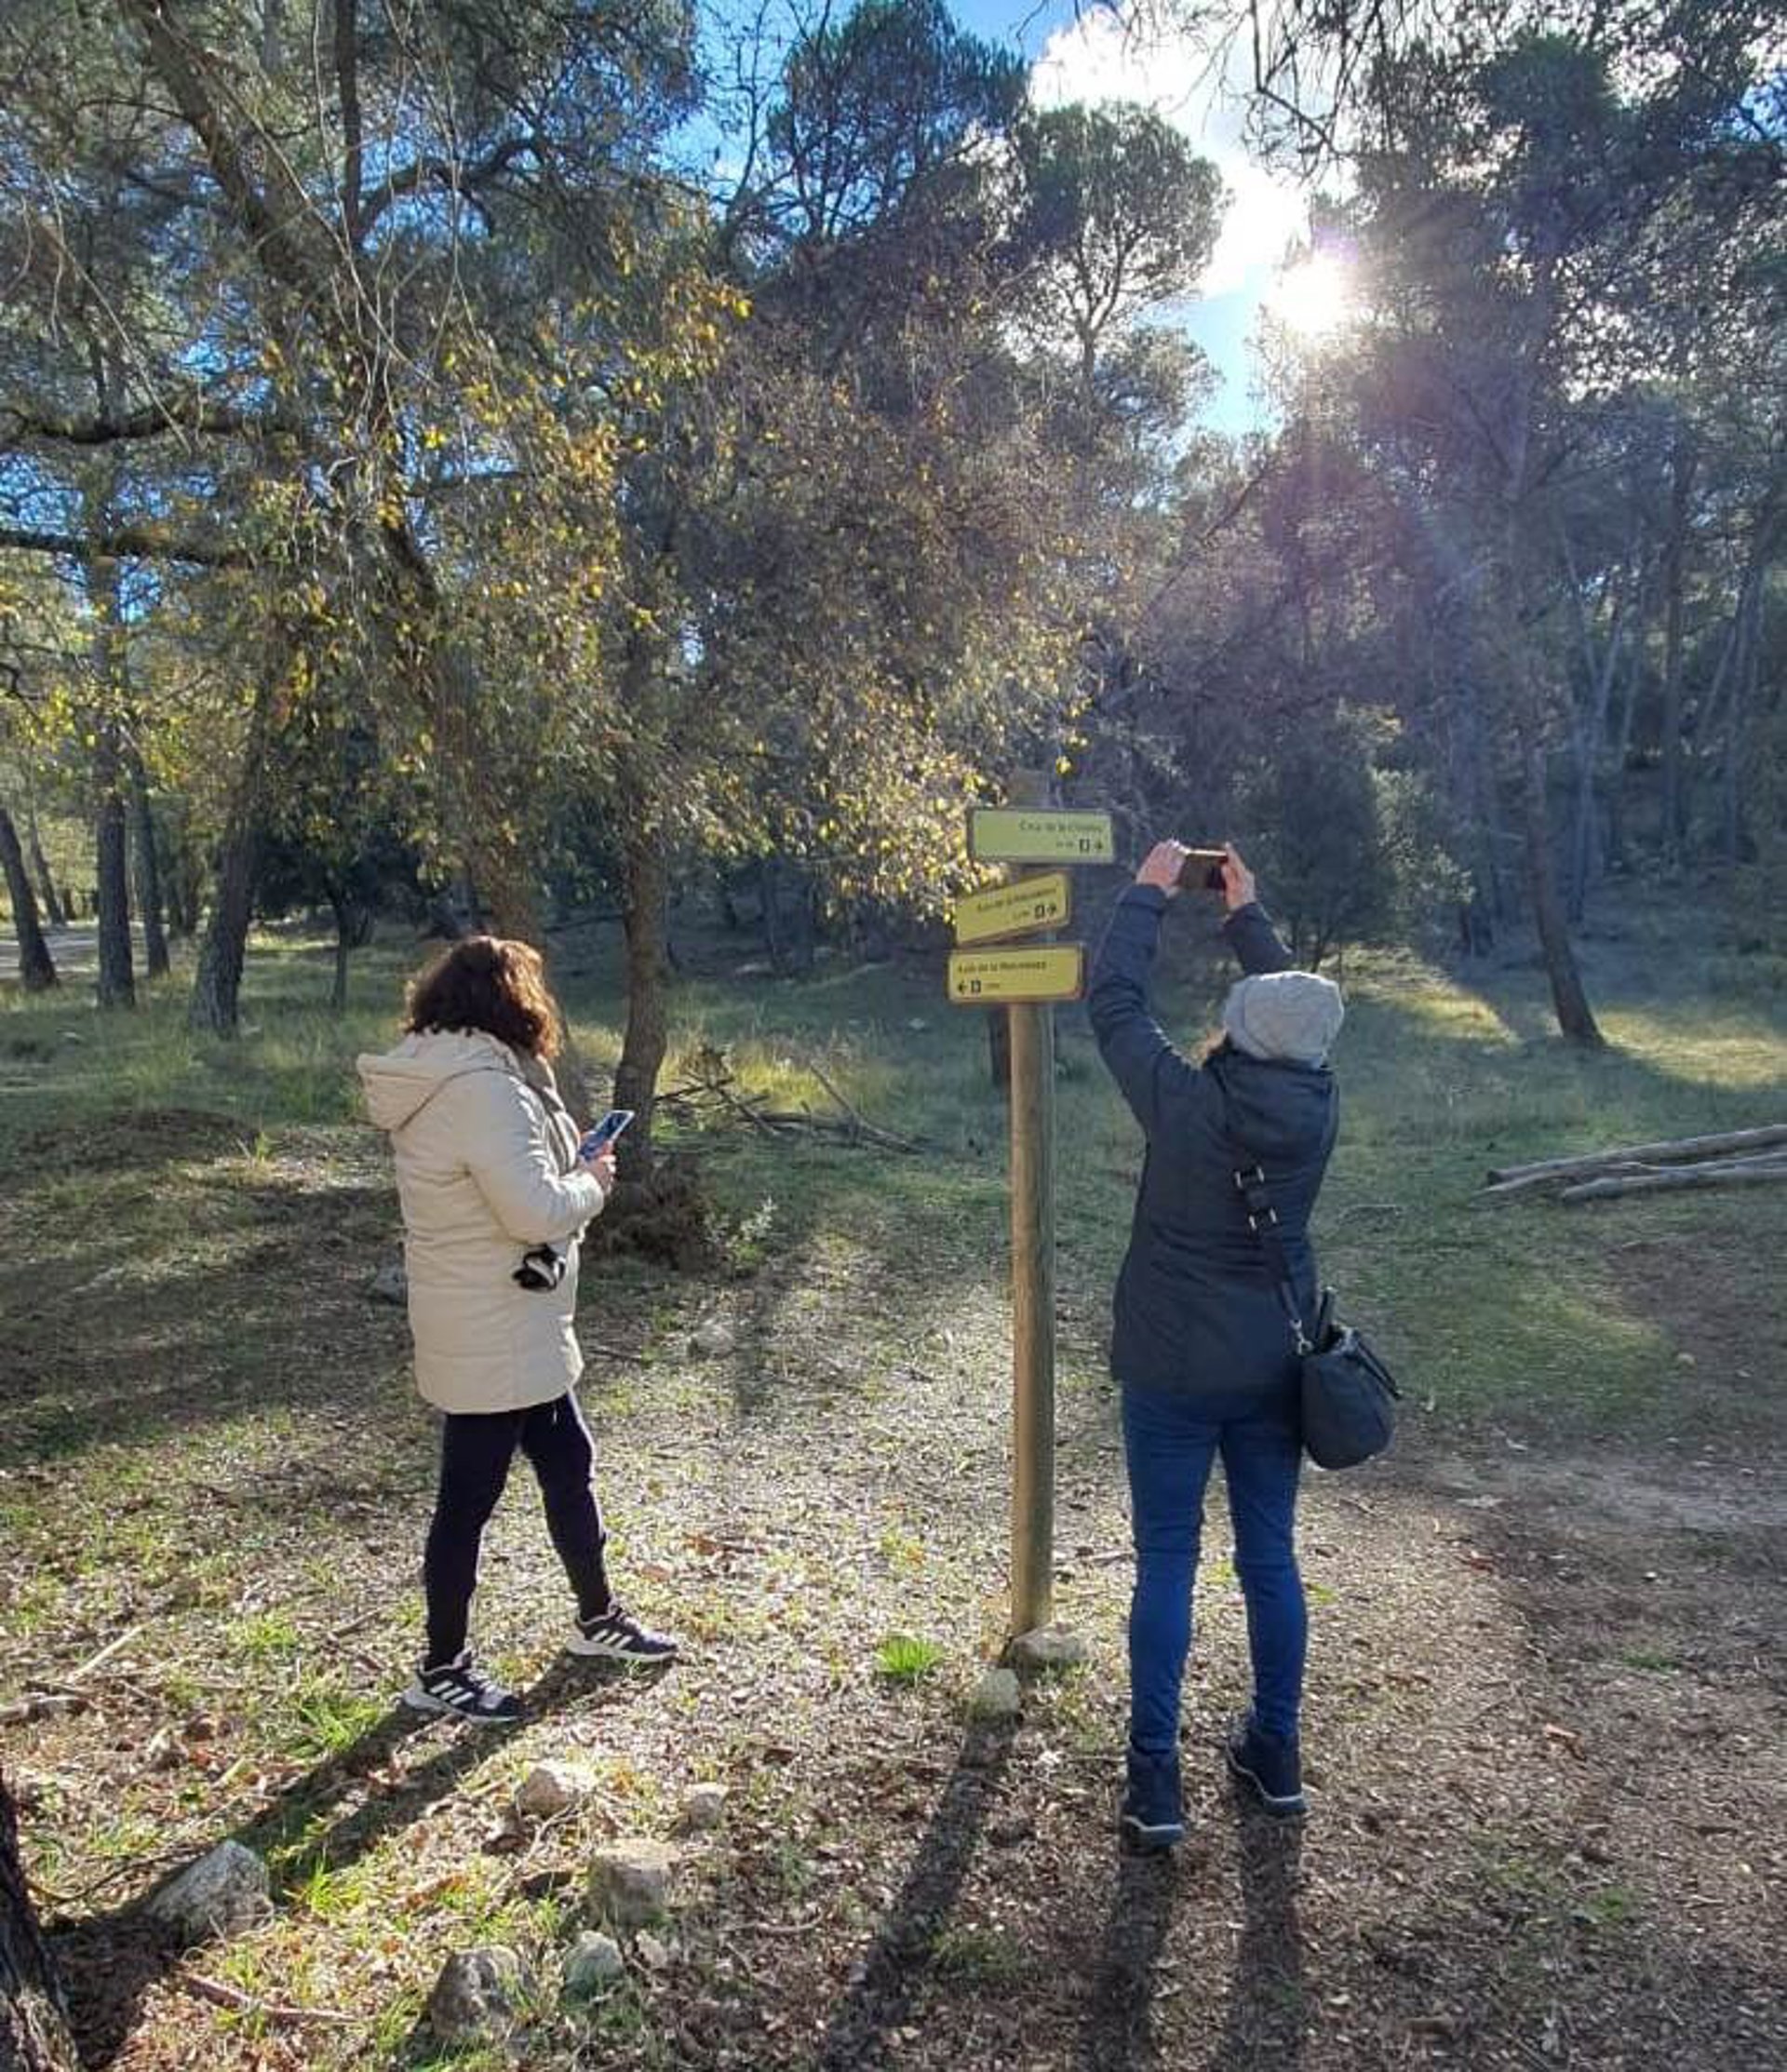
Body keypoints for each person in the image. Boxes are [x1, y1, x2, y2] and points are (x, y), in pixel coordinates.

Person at [1088, 841, 1343, 1846]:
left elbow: (1114, 1003)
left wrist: (1147, 895)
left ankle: (1155, 1780)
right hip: (1272, 1363)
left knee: (1166, 1561)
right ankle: (1274, 1753)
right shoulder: (1319, 1106)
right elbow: (1296, 1018)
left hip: (1170, 1369)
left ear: (1237, 1031)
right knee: (1270, 1559)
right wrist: (1248, 919)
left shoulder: (1186, 1103)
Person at [357, 935, 677, 1724]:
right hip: (492, 1326)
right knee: (467, 1500)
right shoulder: (481, 1090)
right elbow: (533, 1209)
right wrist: (593, 1183)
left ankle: (597, 1618)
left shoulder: (469, 1075)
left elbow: (520, 1178)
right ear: (511, 1003)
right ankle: (441, 1669)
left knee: (570, 1464)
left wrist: (575, 1162)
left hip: (510, 1318)